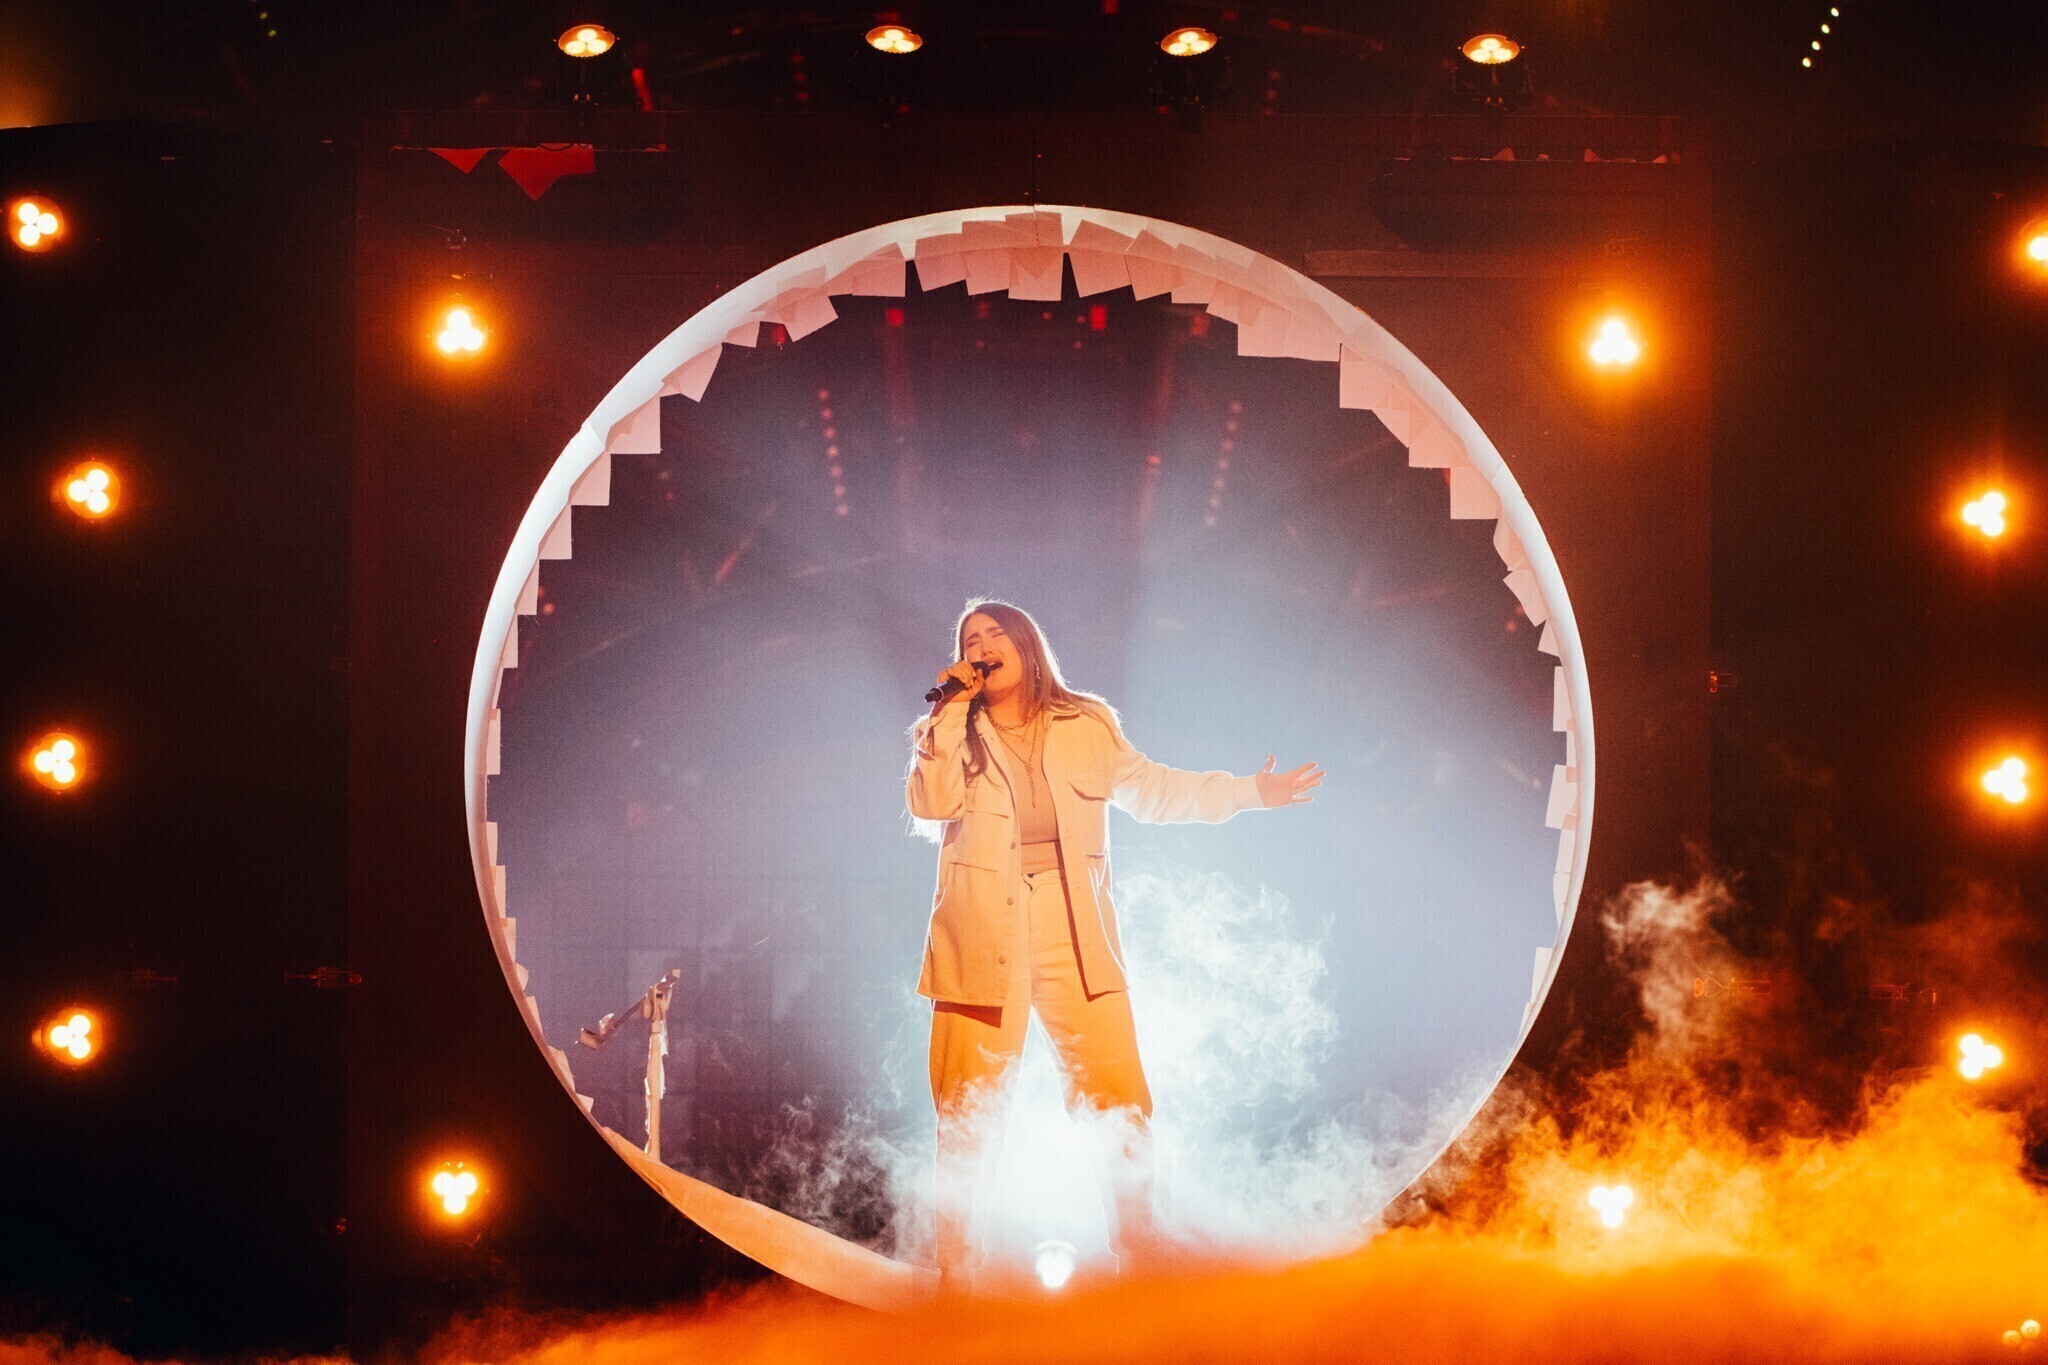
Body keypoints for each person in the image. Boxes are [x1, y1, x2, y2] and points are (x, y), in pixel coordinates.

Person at [905, 598, 1323, 1285]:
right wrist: (949, 711)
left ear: (1026, 645)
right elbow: (931, 803)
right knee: (966, 1106)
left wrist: (1251, 791)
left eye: (994, 633)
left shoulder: (1086, 723)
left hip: (1073, 927)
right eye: (969, 640)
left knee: (1118, 1094)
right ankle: (954, 1268)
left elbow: (1155, 790)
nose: (980, 645)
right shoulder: (949, 730)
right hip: (978, 932)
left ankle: (1140, 1249)